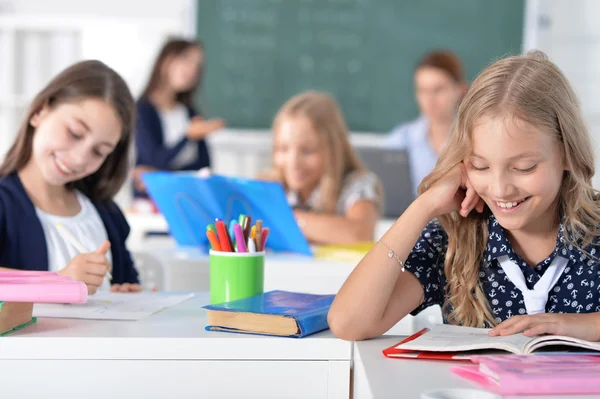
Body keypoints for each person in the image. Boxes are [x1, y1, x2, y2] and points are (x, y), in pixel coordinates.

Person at [328, 51, 600, 342]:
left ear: (568, 154)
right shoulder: (453, 241)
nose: (500, 189)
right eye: (480, 166)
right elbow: (349, 323)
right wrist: (426, 205)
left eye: (524, 167)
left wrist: (574, 326)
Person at [0, 60, 141, 294]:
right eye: (75, 133)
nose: (78, 159)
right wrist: (57, 282)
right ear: (39, 112)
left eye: (99, 151)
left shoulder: (105, 213)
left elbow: (127, 284)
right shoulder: (4, 204)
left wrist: (132, 296)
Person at [262, 91, 382, 245]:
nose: (293, 163)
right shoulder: (267, 185)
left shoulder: (356, 183)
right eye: (283, 149)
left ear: (333, 150)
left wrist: (285, 219)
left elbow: (359, 234)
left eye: (307, 151)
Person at [133, 38, 225, 197]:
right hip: (151, 201)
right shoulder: (142, 110)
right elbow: (153, 159)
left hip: (187, 197)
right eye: (187, 60)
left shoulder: (190, 112)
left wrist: (162, 174)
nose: (192, 70)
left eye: (198, 66)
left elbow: (204, 169)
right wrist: (188, 137)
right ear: (165, 60)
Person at [387, 50, 467, 196]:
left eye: (438, 90)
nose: (429, 99)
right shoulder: (401, 138)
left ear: (459, 90)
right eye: (422, 90)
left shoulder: (471, 139)